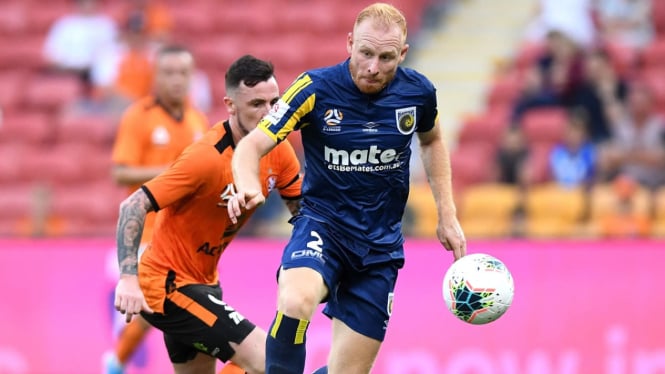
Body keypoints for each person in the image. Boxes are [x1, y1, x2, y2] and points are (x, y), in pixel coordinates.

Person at [228, 3, 466, 373]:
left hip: (380, 246)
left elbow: (432, 141)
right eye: (365, 53)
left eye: (386, 57)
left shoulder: (418, 93)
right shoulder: (315, 88)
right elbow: (252, 144)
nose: (373, 67)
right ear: (349, 43)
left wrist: (447, 215)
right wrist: (246, 185)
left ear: (402, 54)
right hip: (323, 227)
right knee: (295, 300)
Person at [113, 54, 303, 374]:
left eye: (275, 103)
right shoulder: (205, 157)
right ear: (230, 105)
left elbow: (304, 213)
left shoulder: (280, 151)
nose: (269, 114)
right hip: (167, 285)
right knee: (271, 359)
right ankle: (114, 363)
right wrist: (128, 279)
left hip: (204, 282)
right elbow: (132, 205)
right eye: (256, 104)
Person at [104, 44, 209, 374]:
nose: (177, 80)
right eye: (169, 72)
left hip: (185, 236)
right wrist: (173, 173)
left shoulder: (197, 119)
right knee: (155, 305)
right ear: (156, 76)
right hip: (147, 231)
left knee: (177, 309)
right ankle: (116, 362)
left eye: (183, 73)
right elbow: (121, 171)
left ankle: (116, 362)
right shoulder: (139, 116)